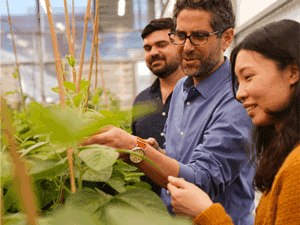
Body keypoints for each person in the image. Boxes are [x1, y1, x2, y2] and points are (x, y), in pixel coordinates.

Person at [81, 0, 255, 224]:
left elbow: (203, 180)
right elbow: (183, 161)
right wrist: (156, 155)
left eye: (199, 36)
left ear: (227, 38)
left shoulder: (238, 97)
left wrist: (136, 148)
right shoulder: (182, 88)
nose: (187, 46)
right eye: (181, 35)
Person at [167, 19, 300, 225]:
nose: (239, 94)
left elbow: (204, 175)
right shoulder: (180, 90)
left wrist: (206, 213)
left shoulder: (296, 167)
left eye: (248, 77)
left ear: (292, 72)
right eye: (180, 36)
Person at [131, 18, 185, 195]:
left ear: (180, 44)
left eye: (161, 44)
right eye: (148, 48)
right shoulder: (141, 100)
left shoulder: (198, 96)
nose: (153, 52)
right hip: (151, 207)